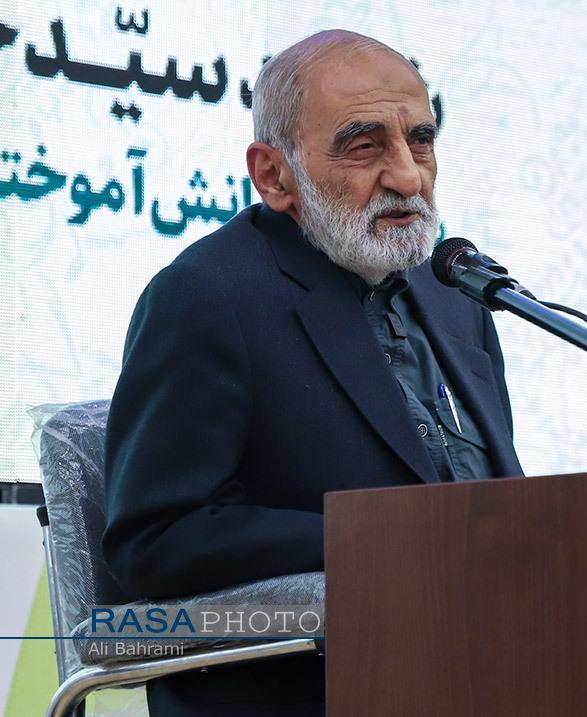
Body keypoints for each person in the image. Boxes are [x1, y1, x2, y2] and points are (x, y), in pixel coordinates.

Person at [102, 30, 523, 716]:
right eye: (363, 146)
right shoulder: (207, 297)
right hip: (314, 689)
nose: (408, 176)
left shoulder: (456, 293)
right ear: (274, 175)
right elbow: (156, 538)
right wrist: (379, 537)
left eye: (420, 140)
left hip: (489, 665)